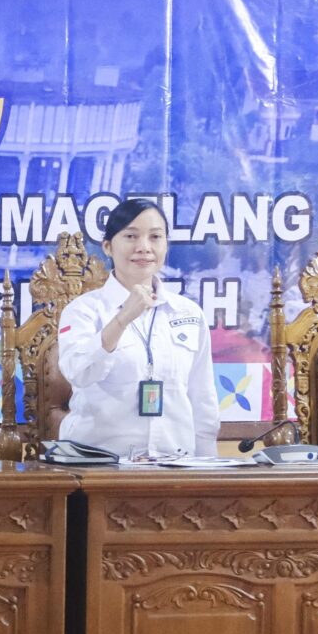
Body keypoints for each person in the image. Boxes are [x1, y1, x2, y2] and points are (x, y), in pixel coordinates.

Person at [52, 197, 221, 459]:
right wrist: (122, 319)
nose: (144, 247)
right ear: (108, 246)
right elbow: (79, 373)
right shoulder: (84, 310)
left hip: (175, 464)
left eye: (155, 237)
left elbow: (202, 398)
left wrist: (207, 466)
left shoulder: (188, 313)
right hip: (99, 464)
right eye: (131, 236)